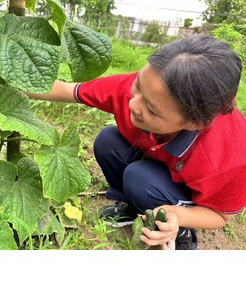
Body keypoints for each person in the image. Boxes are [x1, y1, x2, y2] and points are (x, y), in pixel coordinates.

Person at [25, 35, 246, 250]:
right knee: (108, 141)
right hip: (158, 164)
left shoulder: (233, 154)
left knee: (140, 179)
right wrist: (10, 79)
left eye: (150, 109)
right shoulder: (147, 89)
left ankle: (181, 233)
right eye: (138, 85)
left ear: (193, 123)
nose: (133, 104)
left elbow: (220, 216)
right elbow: (69, 90)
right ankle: (131, 208)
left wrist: (177, 216)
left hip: (186, 196)